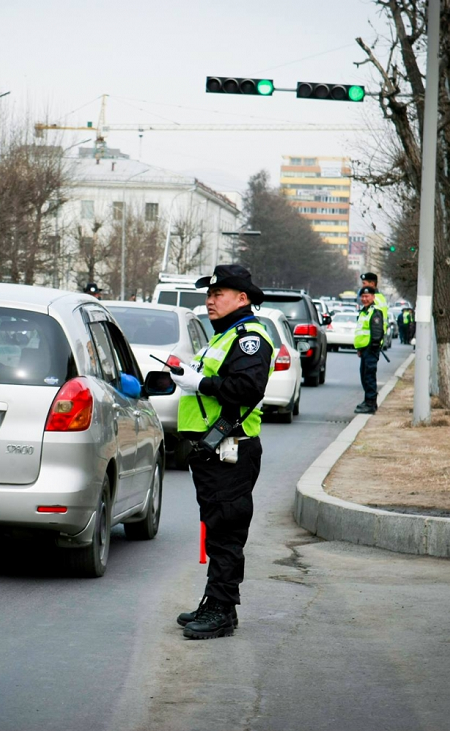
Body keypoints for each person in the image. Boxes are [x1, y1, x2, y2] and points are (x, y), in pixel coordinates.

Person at [170, 264, 273, 640]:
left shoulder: (249, 337)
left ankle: (219, 609)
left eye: (219, 294)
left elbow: (246, 388)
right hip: (216, 450)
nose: (210, 301)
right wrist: (190, 379)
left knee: (227, 530)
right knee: (218, 529)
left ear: (242, 299)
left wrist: (201, 382)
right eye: (208, 295)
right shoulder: (224, 335)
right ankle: (218, 605)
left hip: (233, 447)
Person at [354, 286, 385, 414]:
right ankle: (367, 401)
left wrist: (373, 347)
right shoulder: (363, 312)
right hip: (365, 349)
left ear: (373, 297)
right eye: (363, 297)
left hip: (371, 349)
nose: (364, 299)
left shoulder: (375, 312)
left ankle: (370, 403)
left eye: (367, 296)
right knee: (364, 375)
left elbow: (377, 332)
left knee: (369, 376)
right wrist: (360, 349)